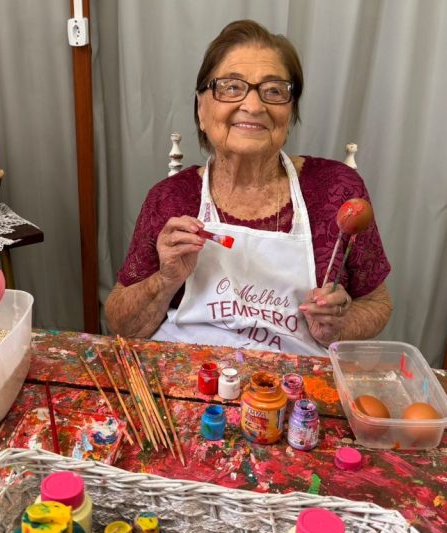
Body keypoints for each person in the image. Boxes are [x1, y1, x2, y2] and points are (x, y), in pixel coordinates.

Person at [104, 20, 392, 356]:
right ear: (201, 109)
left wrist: (338, 326)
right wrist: (165, 280)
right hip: (187, 372)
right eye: (230, 87)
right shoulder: (170, 198)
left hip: (294, 379)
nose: (254, 107)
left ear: (289, 112)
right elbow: (122, 325)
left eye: (274, 91)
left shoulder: (337, 190)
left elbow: (377, 303)